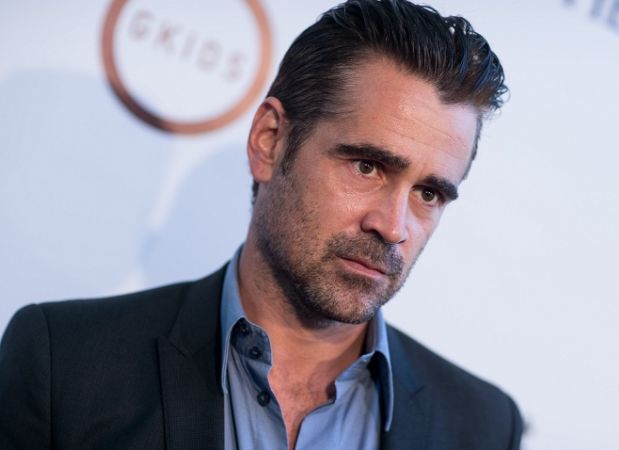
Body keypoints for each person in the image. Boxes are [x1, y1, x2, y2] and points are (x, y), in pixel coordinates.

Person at [0, 1, 523, 449]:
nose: (392, 227)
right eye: (367, 166)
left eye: (428, 193)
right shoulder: (65, 364)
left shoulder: (482, 427)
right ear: (269, 142)